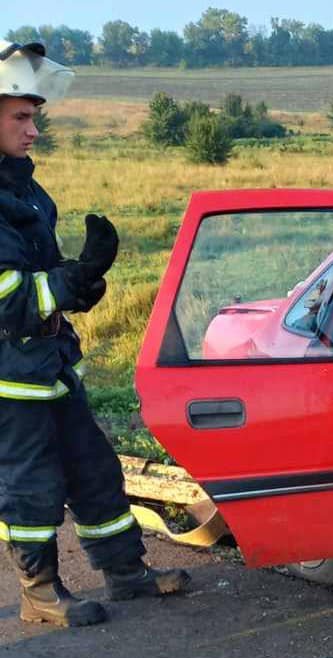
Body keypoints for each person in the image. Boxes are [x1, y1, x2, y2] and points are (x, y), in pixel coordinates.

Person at [0, 41, 189, 627]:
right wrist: (69, 280)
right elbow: (9, 299)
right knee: (31, 491)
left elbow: (44, 276)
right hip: (11, 380)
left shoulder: (25, 191)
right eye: (21, 118)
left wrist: (84, 281)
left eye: (35, 116)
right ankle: (40, 595)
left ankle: (127, 575)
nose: (34, 129)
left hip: (50, 365)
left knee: (96, 471)